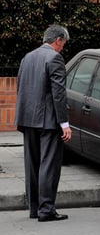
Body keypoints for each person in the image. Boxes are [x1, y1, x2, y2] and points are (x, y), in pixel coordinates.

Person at [14, 25, 72, 222]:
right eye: (63, 43)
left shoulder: (27, 57)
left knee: (32, 164)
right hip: (47, 120)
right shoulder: (54, 58)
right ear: (58, 40)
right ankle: (46, 209)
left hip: (27, 118)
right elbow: (58, 93)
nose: (63, 48)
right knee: (49, 164)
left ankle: (34, 208)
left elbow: (20, 86)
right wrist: (64, 123)